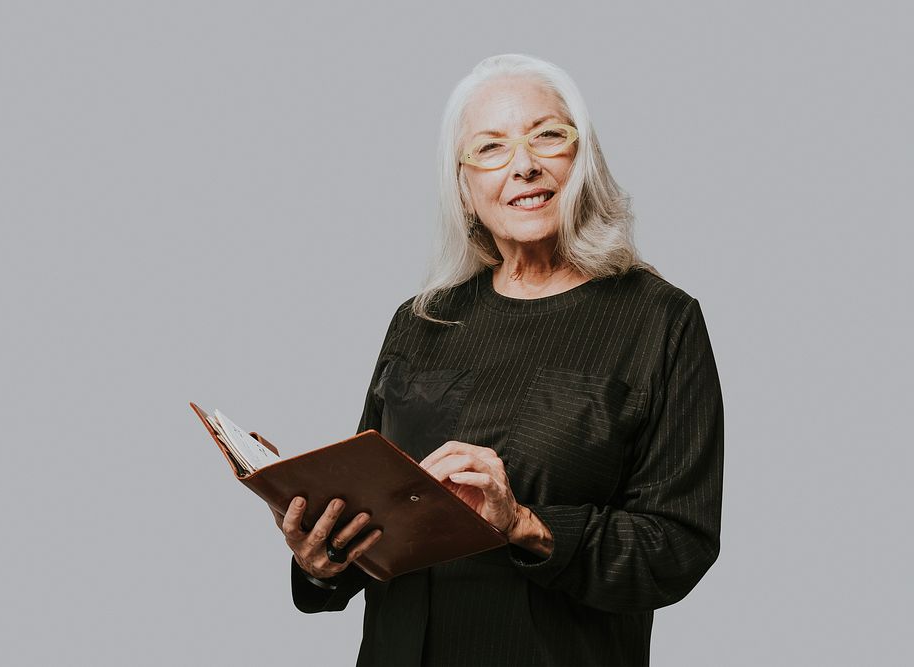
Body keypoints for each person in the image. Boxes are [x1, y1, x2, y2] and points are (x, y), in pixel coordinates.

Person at [275, 53, 724, 667]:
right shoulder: (421, 320)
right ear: (463, 189)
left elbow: (678, 545)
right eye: (489, 149)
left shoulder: (660, 320)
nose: (524, 165)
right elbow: (377, 512)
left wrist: (523, 524)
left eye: (547, 136)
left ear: (581, 160)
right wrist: (324, 561)